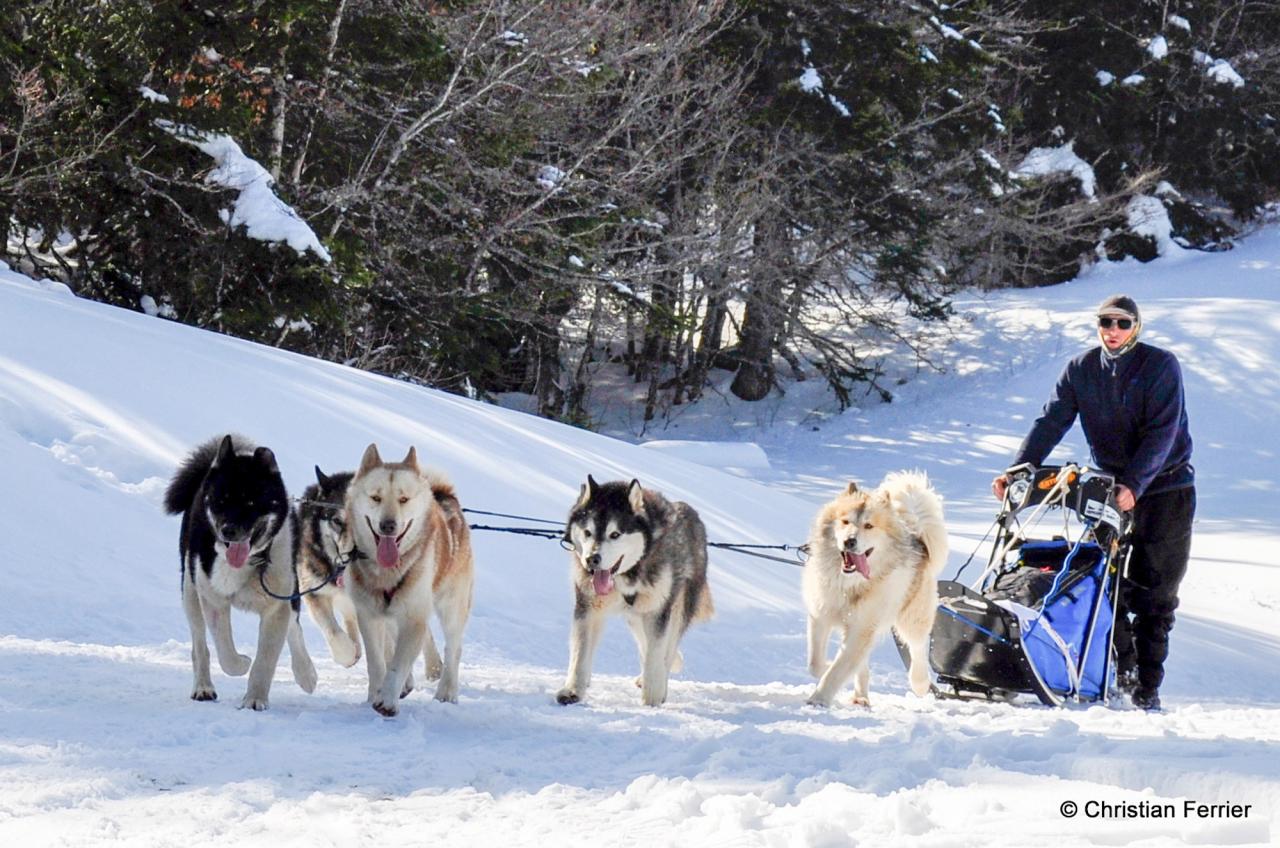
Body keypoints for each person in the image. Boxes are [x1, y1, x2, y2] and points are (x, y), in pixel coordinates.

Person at [991, 295, 1194, 711]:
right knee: (1101, 582)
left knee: (1155, 592)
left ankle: (1147, 690)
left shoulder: (1160, 366)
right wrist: (1016, 473)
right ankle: (1121, 674)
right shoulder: (1082, 369)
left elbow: (1163, 432)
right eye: (1106, 322)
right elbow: (1051, 420)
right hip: (1107, 492)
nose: (1113, 331)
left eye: (1122, 323)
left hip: (1165, 488)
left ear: (1136, 326)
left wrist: (1135, 484)